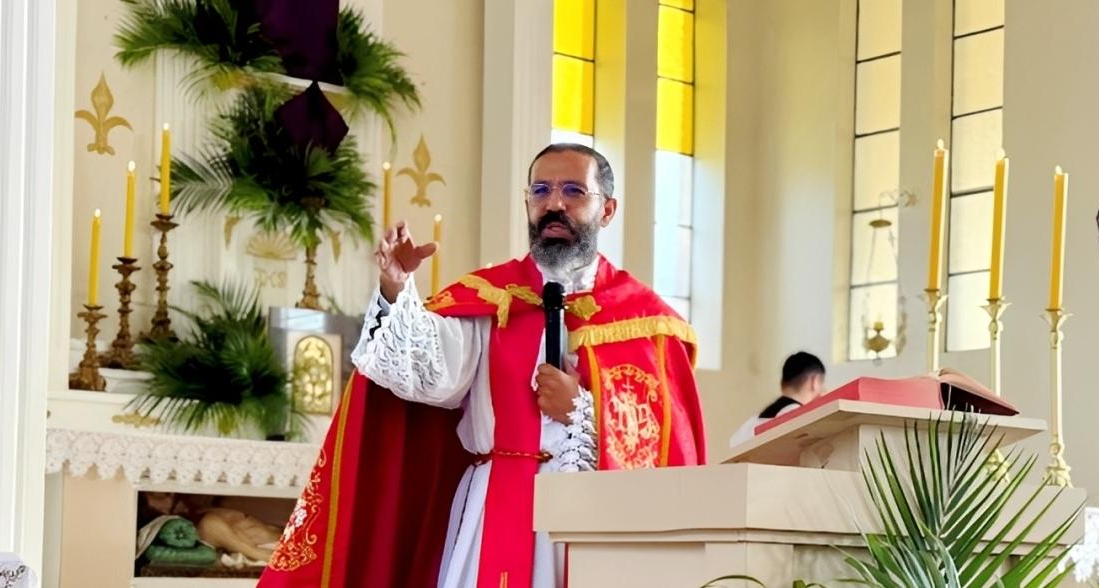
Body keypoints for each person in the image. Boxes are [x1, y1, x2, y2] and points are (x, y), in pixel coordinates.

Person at [257, 143, 706, 588]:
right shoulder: (491, 298)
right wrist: (396, 288)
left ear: (606, 210)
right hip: (492, 506)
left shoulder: (646, 322)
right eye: (541, 190)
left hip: (589, 523)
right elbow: (427, 371)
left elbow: (665, 453)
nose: (554, 204)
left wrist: (582, 413)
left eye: (573, 191)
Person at [728, 352, 826, 447]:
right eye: (822, 383)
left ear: (782, 383)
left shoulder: (754, 420)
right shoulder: (797, 415)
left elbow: (733, 444)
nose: (824, 389)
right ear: (815, 381)